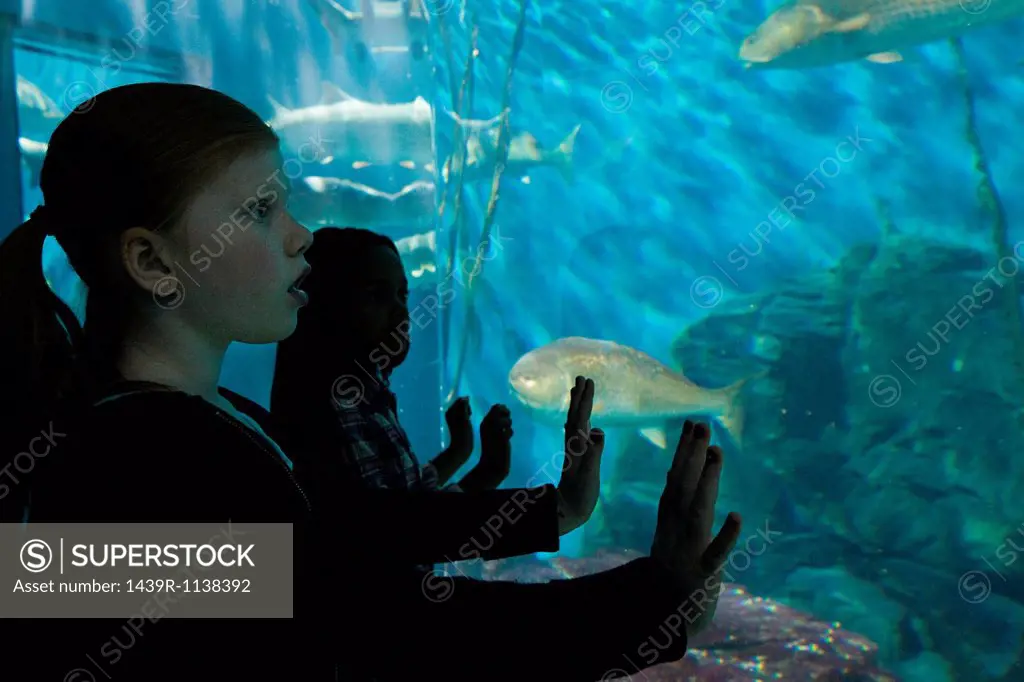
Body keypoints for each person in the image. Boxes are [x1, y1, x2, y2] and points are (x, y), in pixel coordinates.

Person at [0, 82, 743, 681]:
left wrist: (553, 512)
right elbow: (382, 629)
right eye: (260, 212)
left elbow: (344, 539)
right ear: (155, 264)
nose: (302, 236)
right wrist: (652, 603)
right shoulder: (141, 463)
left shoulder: (200, 418)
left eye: (285, 203)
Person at [270, 226, 512, 501]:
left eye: (402, 294)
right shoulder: (337, 408)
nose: (401, 308)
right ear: (326, 308)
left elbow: (406, 495)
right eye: (376, 295)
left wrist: (459, 451)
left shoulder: (364, 393)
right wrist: (488, 473)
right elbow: (398, 534)